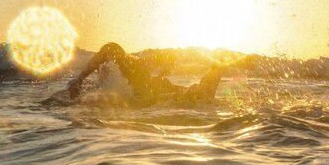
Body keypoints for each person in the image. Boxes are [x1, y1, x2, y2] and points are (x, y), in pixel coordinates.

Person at [63, 42, 241, 105]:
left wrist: (79, 79)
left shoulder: (128, 73)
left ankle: (217, 66)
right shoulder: (109, 85)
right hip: (153, 89)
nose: (101, 72)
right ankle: (217, 67)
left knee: (195, 95)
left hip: (148, 88)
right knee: (193, 95)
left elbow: (111, 48)